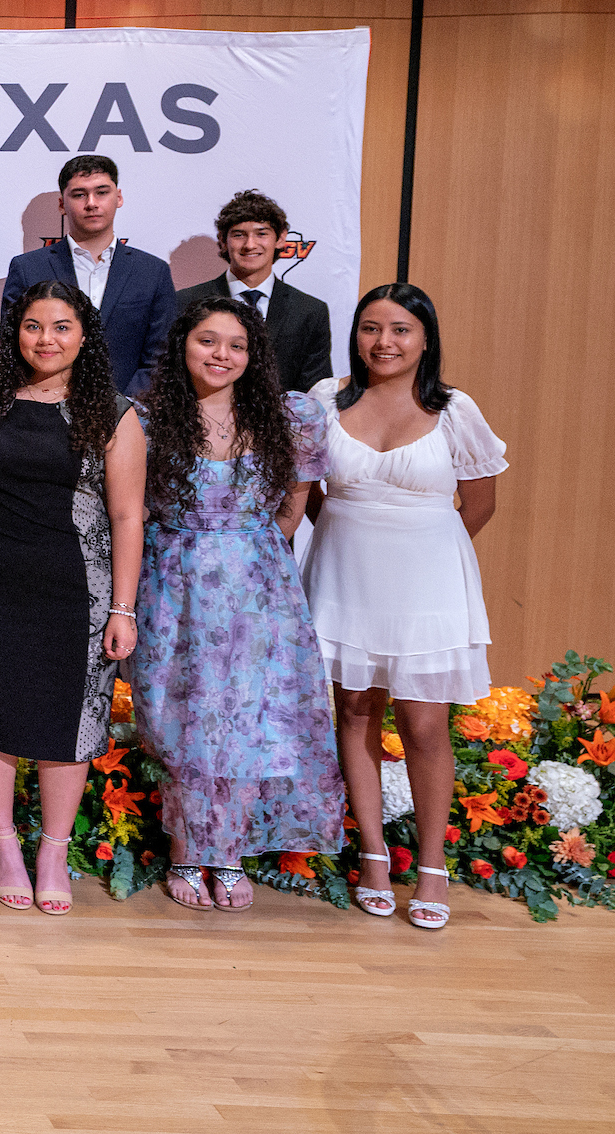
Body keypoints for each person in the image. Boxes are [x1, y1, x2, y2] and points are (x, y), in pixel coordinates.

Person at [302, 284, 504, 931]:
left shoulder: (455, 409)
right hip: (344, 579)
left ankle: (433, 865)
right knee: (356, 710)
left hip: (428, 586)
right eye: (370, 328)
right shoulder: (324, 400)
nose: (383, 342)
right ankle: (372, 857)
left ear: (425, 339)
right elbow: (307, 491)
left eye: (399, 330)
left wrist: (427, 550)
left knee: (423, 724)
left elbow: (479, 503)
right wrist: (342, 530)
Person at [0, 281, 144, 917]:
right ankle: (4, 844)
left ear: (84, 336)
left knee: (70, 717)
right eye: (32, 326)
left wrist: (123, 608)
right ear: (13, 333)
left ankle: (52, 850)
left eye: (60, 327)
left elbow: (128, 516)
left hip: (77, 587)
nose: (45, 340)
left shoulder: (113, 412)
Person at [132, 298, 341, 912]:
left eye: (236, 345)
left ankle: (227, 854)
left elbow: (292, 508)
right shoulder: (145, 421)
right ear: (182, 346)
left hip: (257, 587)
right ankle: (188, 851)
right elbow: (133, 509)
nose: (221, 355)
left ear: (254, 357)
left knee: (248, 716)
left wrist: (246, 553)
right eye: (208, 341)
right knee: (186, 720)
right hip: (175, 584)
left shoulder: (292, 415)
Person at [1, 155, 175, 396]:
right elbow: (12, 347)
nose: (91, 203)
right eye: (79, 194)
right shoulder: (28, 268)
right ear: (62, 204)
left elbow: (161, 357)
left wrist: (123, 410)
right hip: (44, 410)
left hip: (128, 414)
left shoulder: (152, 272)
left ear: (119, 197)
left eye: (101, 192)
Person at [175, 189, 333, 392]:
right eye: (239, 235)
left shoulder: (309, 311)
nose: (250, 245)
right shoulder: (186, 302)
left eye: (261, 234)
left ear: (281, 238)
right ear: (223, 241)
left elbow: (314, 391)